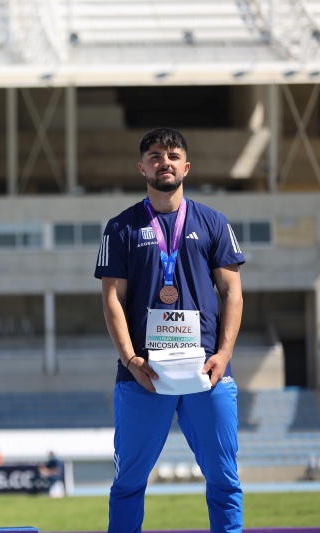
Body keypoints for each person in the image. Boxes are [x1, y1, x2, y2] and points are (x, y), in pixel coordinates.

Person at [95, 127, 244, 532]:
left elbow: (232, 292)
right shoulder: (120, 227)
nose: (165, 161)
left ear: (186, 166)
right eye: (156, 155)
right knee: (128, 483)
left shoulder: (213, 222)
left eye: (173, 155)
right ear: (142, 166)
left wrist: (225, 355)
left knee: (225, 482)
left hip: (206, 372)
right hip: (144, 374)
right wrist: (130, 358)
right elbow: (112, 299)